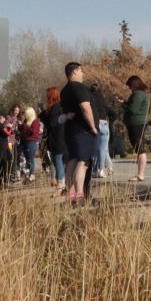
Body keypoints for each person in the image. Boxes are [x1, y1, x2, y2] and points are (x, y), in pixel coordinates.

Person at [60, 62, 99, 204]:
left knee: (73, 161)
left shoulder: (64, 90)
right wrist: (93, 127)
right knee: (83, 162)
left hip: (71, 130)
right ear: (75, 71)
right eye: (81, 70)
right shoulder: (79, 87)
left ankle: (71, 195)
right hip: (83, 131)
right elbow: (85, 107)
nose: (83, 73)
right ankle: (80, 196)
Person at [123, 76, 151, 181]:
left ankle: (140, 174)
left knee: (139, 148)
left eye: (130, 86)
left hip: (136, 123)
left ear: (134, 85)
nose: (129, 88)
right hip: (139, 123)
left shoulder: (138, 94)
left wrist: (124, 104)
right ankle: (140, 173)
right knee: (139, 147)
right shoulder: (142, 94)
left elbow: (133, 109)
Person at [42, 86, 67, 192]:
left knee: (58, 161)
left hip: (57, 139)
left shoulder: (55, 108)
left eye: (48, 95)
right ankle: (62, 183)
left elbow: (52, 123)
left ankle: (61, 185)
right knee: (57, 161)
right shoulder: (60, 107)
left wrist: (44, 118)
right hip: (60, 138)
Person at [18, 107, 42, 183]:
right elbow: (21, 130)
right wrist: (20, 125)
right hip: (25, 142)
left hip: (31, 142)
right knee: (27, 160)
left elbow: (33, 132)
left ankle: (32, 175)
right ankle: (27, 175)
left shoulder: (35, 122)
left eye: (26, 114)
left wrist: (25, 126)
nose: (25, 116)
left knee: (30, 159)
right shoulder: (26, 121)